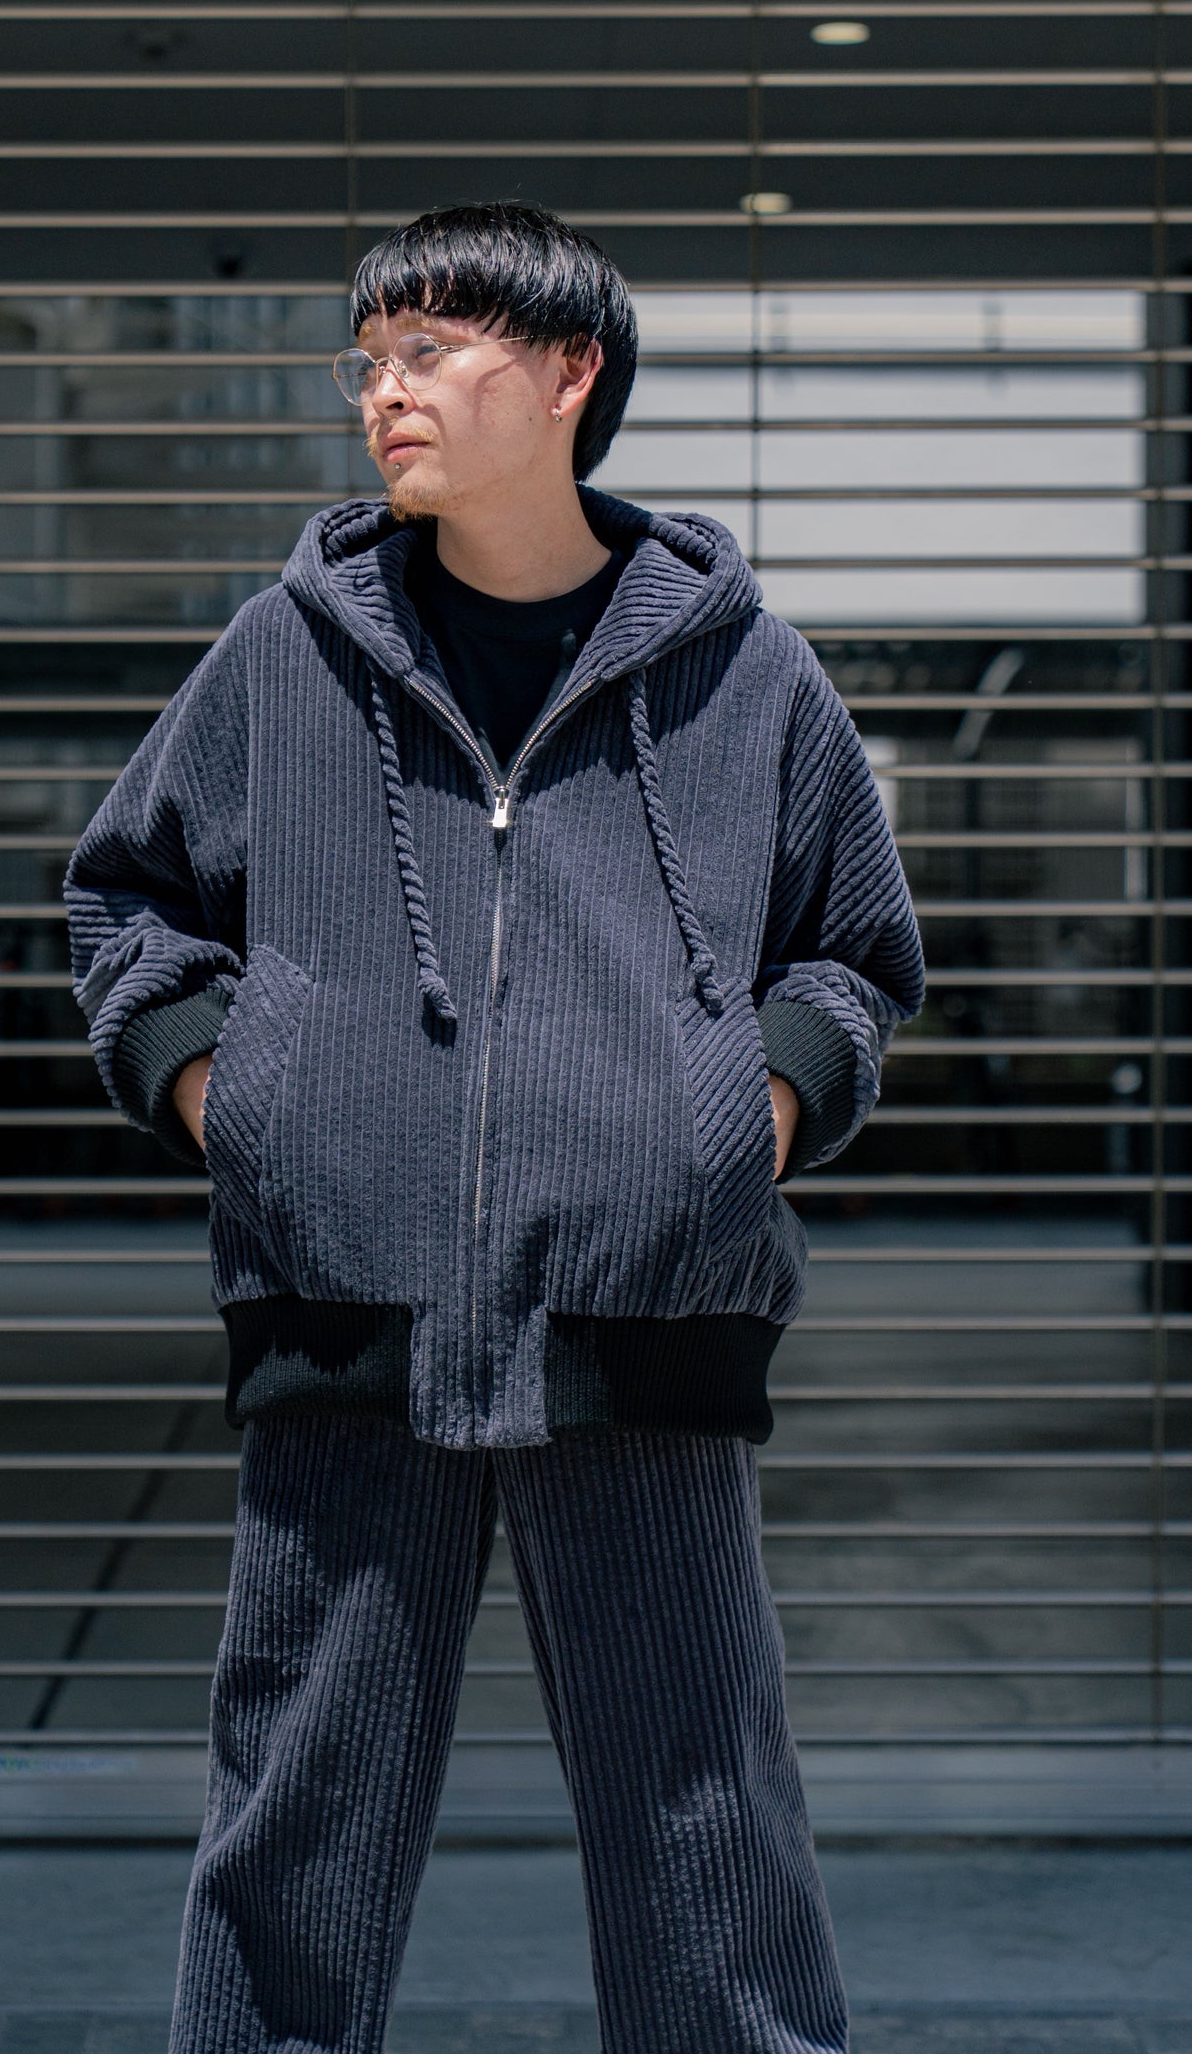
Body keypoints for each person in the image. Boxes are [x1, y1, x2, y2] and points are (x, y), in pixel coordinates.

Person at [63, 201, 924, 2054]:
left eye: (431, 350)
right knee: (297, 1818)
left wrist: (742, 1118)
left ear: (564, 373)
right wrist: (238, 1102)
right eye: (369, 357)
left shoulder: (742, 672)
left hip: (646, 1311)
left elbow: (850, 951)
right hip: (344, 1308)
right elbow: (128, 902)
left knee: (703, 1813)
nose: (384, 390)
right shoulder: (286, 656)